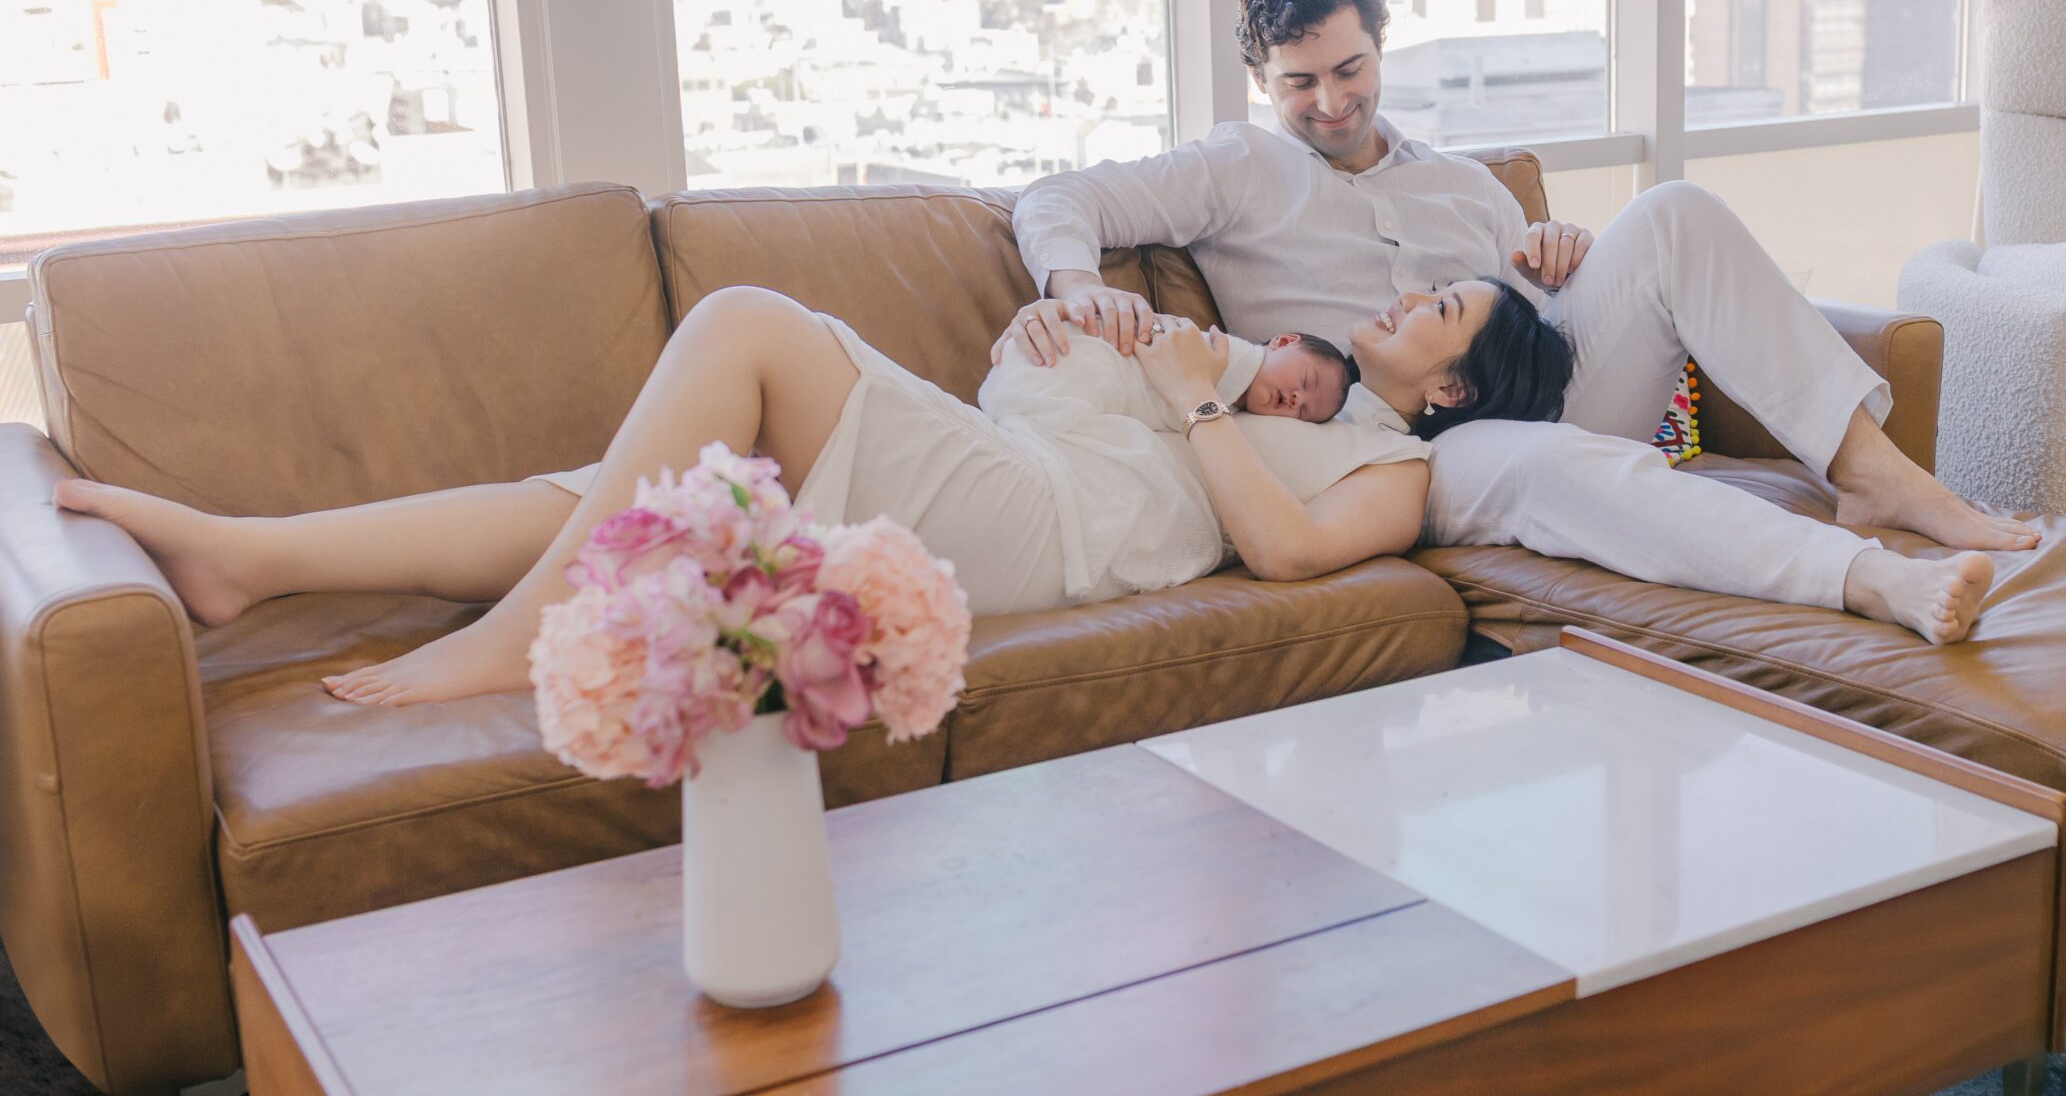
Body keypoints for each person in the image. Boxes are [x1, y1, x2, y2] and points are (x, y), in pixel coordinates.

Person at [1003, 0, 2032, 648]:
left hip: (1538, 387)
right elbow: (1058, 198)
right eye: (1298, 83)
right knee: (1551, 462)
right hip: (1404, 453)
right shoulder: (1233, 169)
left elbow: (1538, 326)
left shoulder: (1464, 187)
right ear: (1260, 78)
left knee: (1672, 210)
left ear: (1380, 41)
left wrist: (1556, 252)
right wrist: (1076, 286)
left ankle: (1877, 475)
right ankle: (1868, 579)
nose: (1330, 102)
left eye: (1349, 69)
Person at [51, 278, 1569, 707]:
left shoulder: (1397, 464)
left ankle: (509, 640)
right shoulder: (1272, 361)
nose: (1415, 294)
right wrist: (1072, 334)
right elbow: (1083, 382)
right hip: (1024, 463)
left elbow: (1292, 550)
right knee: (622, 494)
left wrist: (1195, 399)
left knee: (751, 324)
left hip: (1049, 540)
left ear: (1454, 383)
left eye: (1443, 306)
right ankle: (251, 559)